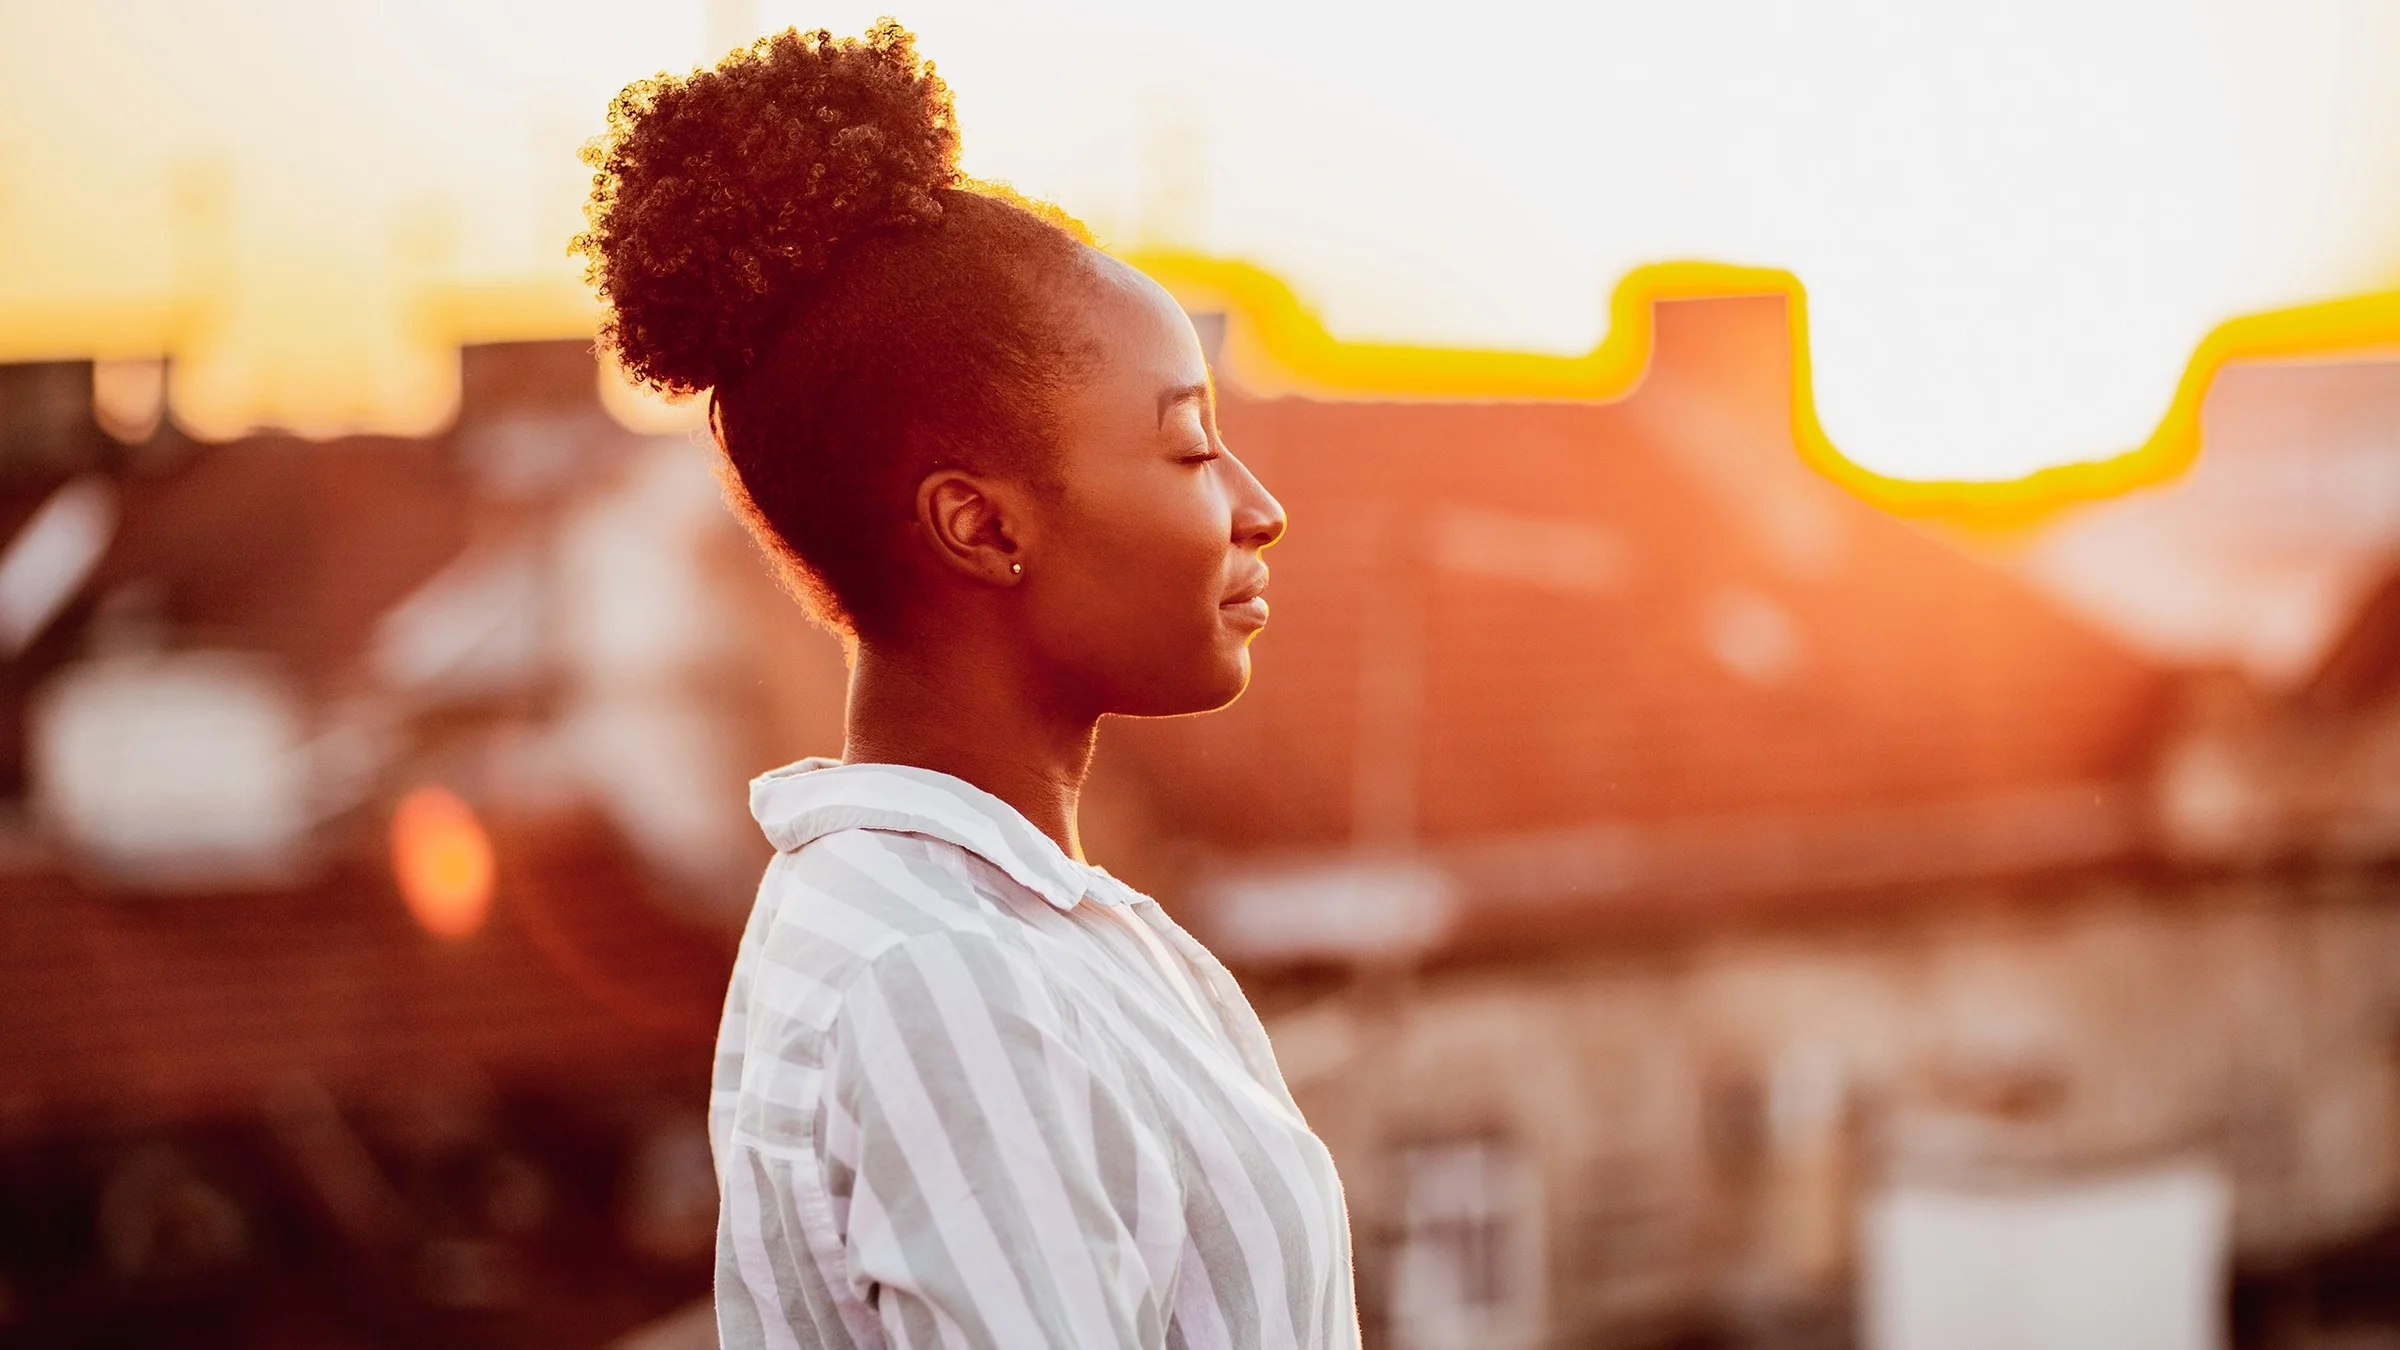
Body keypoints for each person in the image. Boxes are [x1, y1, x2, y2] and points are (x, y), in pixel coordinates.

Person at [573, 20, 1358, 1350]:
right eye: (1188, 447)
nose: (1260, 508)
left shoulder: (1036, 933)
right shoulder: (940, 975)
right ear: (981, 527)